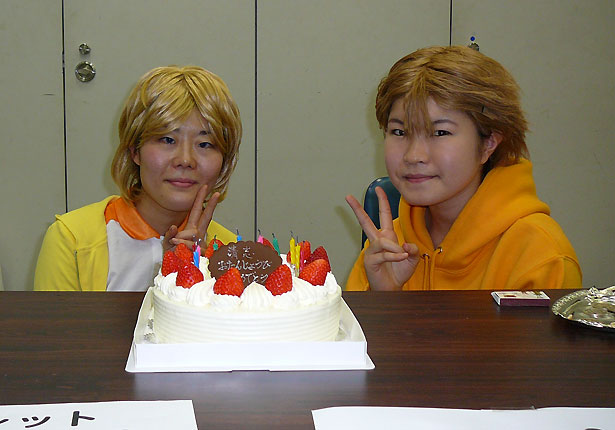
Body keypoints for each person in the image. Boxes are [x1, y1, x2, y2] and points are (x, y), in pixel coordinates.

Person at [345, 46, 582, 291]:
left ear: (488, 143)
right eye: (399, 132)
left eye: (440, 132)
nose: (414, 156)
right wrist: (384, 298)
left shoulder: (541, 256)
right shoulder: (385, 248)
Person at [34, 65, 241, 291]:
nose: (185, 160)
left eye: (205, 144)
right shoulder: (72, 240)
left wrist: (195, 271)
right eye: (167, 140)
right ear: (134, 150)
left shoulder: (232, 252)